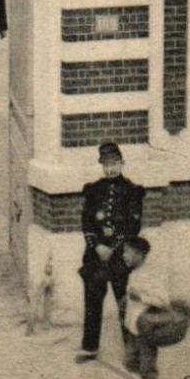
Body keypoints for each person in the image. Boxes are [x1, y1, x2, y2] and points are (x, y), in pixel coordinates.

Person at [75, 142, 145, 364]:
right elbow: (86, 222)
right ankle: (89, 348)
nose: (110, 169)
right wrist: (96, 246)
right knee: (92, 302)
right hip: (96, 257)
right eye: (106, 164)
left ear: (122, 163)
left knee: (124, 304)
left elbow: (134, 226)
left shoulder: (132, 192)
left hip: (119, 259)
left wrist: (113, 248)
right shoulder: (94, 190)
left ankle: (132, 353)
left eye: (114, 164)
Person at [120, 236, 177, 379]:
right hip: (133, 329)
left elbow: (163, 300)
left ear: (140, 255)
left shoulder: (150, 275)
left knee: (148, 370)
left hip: (146, 329)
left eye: (128, 252)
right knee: (129, 362)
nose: (124, 256)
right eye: (124, 251)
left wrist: (142, 297)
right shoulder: (134, 273)